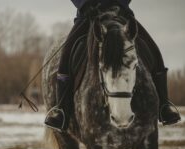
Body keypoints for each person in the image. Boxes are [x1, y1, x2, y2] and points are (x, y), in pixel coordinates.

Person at [44, 0, 181, 131]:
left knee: (153, 50)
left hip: (120, 13)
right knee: (66, 54)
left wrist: (120, 3)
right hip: (89, 15)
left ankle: (164, 105)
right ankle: (61, 110)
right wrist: (85, 5)